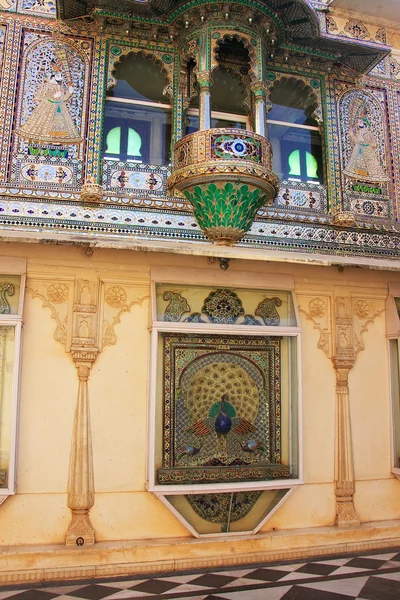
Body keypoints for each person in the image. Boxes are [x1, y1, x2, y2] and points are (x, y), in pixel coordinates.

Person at [17, 60, 82, 145]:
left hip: (59, 107)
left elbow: (63, 98)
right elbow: (40, 96)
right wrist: (53, 97)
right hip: (47, 106)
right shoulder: (47, 85)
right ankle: (37, 140)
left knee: (58, 125)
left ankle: (56, 141)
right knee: (42, 123)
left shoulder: (60, 87)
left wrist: (70, 92)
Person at [343, 105, 387, 182]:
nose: (358, 123)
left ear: (364, 123)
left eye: (360, 122)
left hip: (367, 151)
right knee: (358, 163)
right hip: (359, 150)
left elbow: (374, 143)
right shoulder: (358, 132)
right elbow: (356, 141)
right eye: (357, 122)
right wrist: (352, 134)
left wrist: (367, 143)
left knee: (370, 165)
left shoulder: (368, 133)